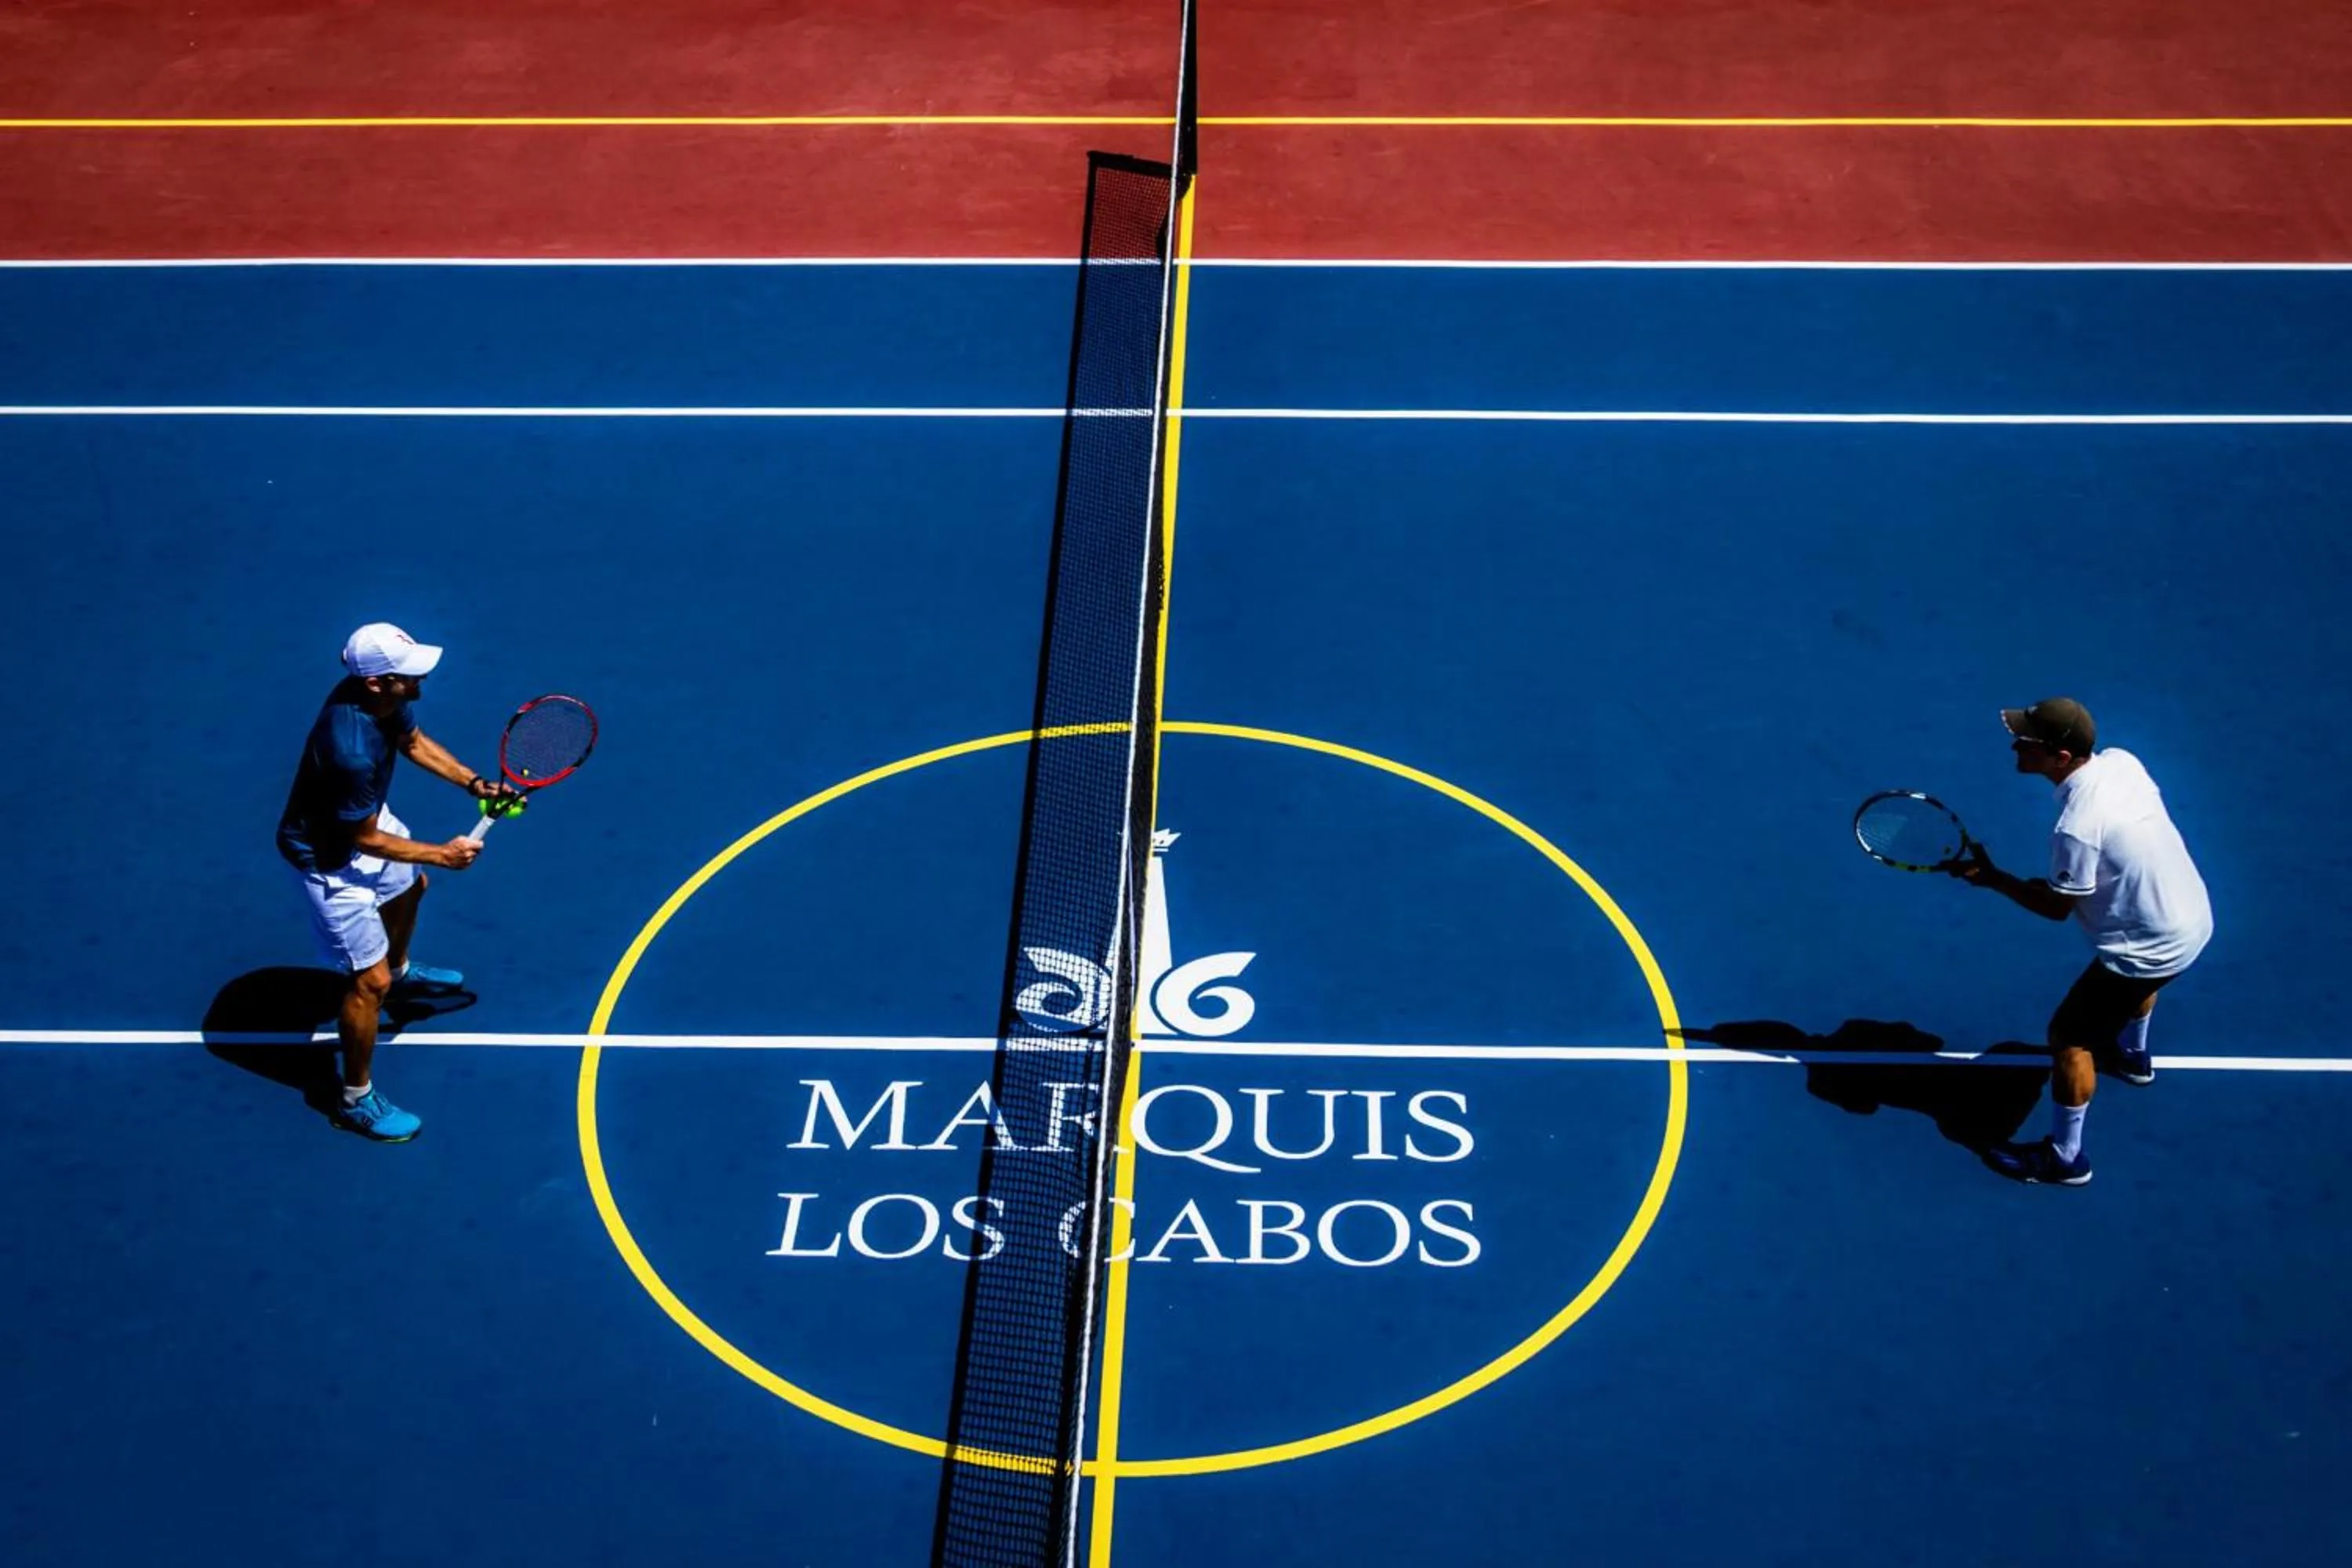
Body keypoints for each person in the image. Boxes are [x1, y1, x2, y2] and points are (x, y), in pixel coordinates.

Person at [1951, 697, 2213, 1185]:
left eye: (2026, 740)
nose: (2015, 744)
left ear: (2061, 758)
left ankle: (2064, 1159)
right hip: (2191, 920)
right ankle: (2131, 1057)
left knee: (2069, 1038)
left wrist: (1994, 879)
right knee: (2133, 983)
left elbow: (2056, 908)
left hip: (2147, 946)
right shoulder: (2122, 761)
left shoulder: (2075, 829)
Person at [276, 623, 518, 1142]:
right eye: (408, 676)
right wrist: (443, 854)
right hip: (330, 858)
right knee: (369, 983)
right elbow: (363, 840)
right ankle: (354, 1099)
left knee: (413, 889)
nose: (421, 681)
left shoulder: (381, 702)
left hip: (364, 823)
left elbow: (412, 740)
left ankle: (402, 969)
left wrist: (476, 783)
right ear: (376, 683)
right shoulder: (349, 752)